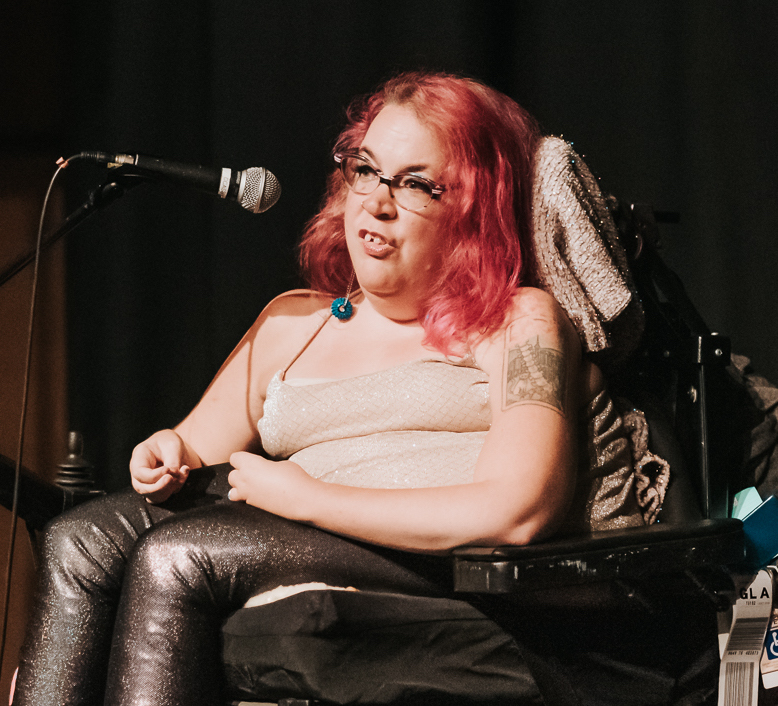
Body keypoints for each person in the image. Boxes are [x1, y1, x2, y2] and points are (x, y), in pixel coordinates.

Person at [13, 71, 654, 706]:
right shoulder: (293, 321)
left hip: (438, 561)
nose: (377, 201)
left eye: (415, 186)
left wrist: (311, 498)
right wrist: (165, 450)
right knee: (78, 542)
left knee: (178, 556)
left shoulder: (520, 322)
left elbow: (520, 510)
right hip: (298, 528)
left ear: (473, 208)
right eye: (367, 171)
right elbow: (188, 448)